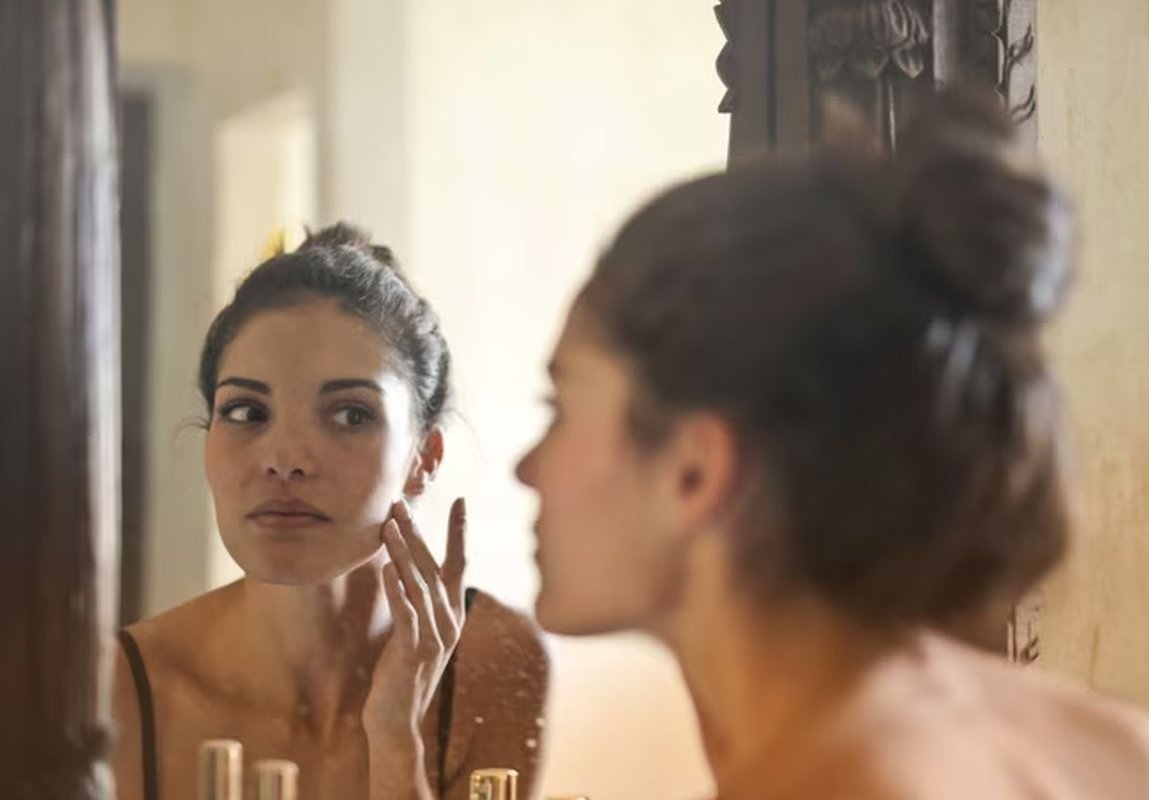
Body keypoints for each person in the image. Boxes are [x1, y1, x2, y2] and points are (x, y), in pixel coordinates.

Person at [516, 91, 1149, 799]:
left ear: (693, 471)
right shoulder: (1113, 744)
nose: (525, 469)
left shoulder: (825, 783)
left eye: (558, 407)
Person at [113, 225, 548, 800]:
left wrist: (397, 739)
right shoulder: (123, 684)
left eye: (349, 416)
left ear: (424, 456)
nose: (285, 460)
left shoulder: (490, 661)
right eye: (246, 411)